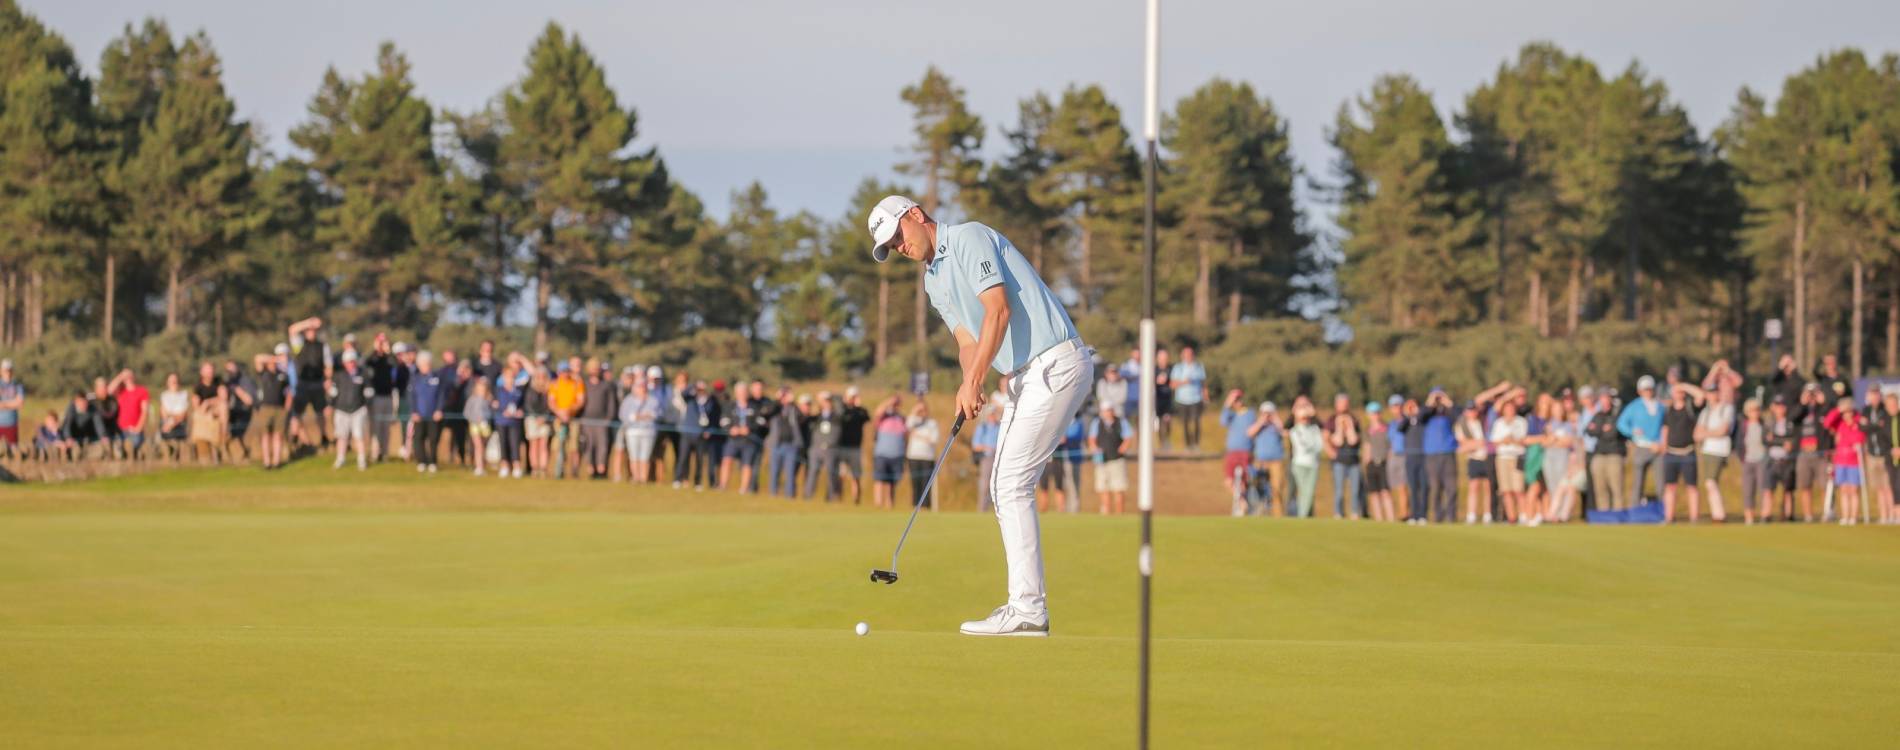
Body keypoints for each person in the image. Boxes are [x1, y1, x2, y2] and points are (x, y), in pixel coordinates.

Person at [868, 193, 1092, 637]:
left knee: (1009, 483)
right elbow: (968, 340)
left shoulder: (968, 238)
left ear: (915, 215)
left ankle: (1028, 610)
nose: (900, 247)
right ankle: (1025, 607)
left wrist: (975, 381)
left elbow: (999, 310)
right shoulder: (932, 280)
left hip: (1055, 362)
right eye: (891, 247)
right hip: (1025, 376)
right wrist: (967, 381)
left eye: (898, 236)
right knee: (1001, 484)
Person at [1656, 382, 1707, 523]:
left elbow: (1701, 395)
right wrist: (1663, 446)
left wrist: (1683, 386)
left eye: (1681, 392)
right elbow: (1665, 429)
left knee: (1692, 487)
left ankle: (1694, 518)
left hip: (1688, 453)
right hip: (1671, 453)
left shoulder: (1691, 408)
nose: (1679, 393)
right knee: (1670, 487)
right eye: (1676, 391)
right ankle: (1668, 517)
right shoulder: (1668, 410)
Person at [1617, 375, 1666, 504]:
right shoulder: (1634, 406)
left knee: (1661, 483)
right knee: (1637, 482)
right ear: (1640, 391)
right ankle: (1635, 511)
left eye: (1650, 389)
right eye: (1645, 389)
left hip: (1657, 448)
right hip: (1641, 447)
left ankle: (1664, 512)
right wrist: (1632, 432)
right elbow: (1621, 424)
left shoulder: (1660, 407)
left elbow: (1665, 426)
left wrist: (1661, 443)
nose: (1648, 391)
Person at [1693, 383, 1735, 523]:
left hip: (1720, 450)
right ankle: (1716, 513)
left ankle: (1719, 515)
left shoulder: (1726, 408)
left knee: (1711, 482)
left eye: (1714, 392)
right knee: (1709, 483)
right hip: (1706, 450)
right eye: (1709, 393)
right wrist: (1711, 433)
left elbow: (1723, 430)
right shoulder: (1705, 412)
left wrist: (1706, 433)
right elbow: (1696, 435)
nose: (1712, 395)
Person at [1822, 395, 1866, 525]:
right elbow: (1827, 423)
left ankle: (1853, 517)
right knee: (1843, 490)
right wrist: (1838, 410)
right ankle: (1845, 516)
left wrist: (1856, 419)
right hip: (1841, 461)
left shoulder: (1859, 423)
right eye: (1845, 412)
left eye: (1849, 411)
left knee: (1853, 490)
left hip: (1854, 463)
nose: (1847, 414)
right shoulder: (1839, 424)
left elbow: (1861, 438)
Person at [1791, 383, 1829, 522]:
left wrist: (1822, 403)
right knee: (1805, 485)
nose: (1811, 396)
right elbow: (1793, 417)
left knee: (1825, 485)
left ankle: (1827, 513)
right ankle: (1808, 515)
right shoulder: (1801, 409)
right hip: (1803, 454)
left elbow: (1829, 418)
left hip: (1820, 453)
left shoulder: (1822, 409)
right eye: (1809, 393)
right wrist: (1802, 403)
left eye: (1814, 393)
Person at [406, 351, 449, 474]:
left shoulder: (437, 377)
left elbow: (441, 395)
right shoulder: (415, 379)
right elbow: (411, 397)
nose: (426, 366)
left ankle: (433, 462)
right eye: (423, 364)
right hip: (419, 415)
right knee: (418, 438)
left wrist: (439, 410)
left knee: (434, 439)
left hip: (434, 416)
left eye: (427, 363)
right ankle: (421, 462)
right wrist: (414, 412)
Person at [1420, 390, 1458, 523]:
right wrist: (1430, 402)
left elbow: (1457, 417)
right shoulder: (1427, 412)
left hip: (1448, 452)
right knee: (1435, 488)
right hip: (1431, 454)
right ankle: (1438, 517)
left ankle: (1451, 517)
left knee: (1451, 487)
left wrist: (1448, 402)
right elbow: (1421, 417)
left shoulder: (1448, 412)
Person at [1585, 389, 1627, 511]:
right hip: (1599, 454)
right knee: (1600, 489)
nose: (1604, 400)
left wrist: (1599, 429)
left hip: (1614, 453)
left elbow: (1613, 433)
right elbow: (1588, 430)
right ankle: (1603, 518)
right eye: (1602, 398)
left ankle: (1617, 516)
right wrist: (1602, 429)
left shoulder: (1618, 414)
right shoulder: (1598, 415)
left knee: (1616, 488)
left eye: (1606, 397)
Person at [329, 351, 371, 470]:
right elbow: (333, 393)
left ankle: (361, 459)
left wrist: (366, 405)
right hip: (341, 410)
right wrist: (330, 405)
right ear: (344, 363)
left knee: (359, 436)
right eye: (348, 362)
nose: (351, 364)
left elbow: (369, 392)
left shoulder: (363, 374)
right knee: (342, 436)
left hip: (358, 409)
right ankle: (340, 459)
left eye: (352, 361)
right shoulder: (339, 376)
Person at [1089, 402, 1134, 515]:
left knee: (1118, 489)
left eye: (1109, 410)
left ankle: (1119, 515)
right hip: (1102, 461)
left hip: (1117, 460)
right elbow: (1092, 439)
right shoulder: (1096, 423)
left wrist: (1122, 448)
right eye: (1105, 410)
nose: (1107, 413)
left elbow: (1128, 438)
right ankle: (1106, 514)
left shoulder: (1121, 422)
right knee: (1103, 489)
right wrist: (1095, 448)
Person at [1489, 398, 1528, 524]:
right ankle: (1511, 518)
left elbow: (1524, 440)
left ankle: (1523, 516)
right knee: (1506, 490)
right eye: (1507, 408)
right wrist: (1504, 440)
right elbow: (1494, 441)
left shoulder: (1521, 422)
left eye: (1511, 408)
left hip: (1517, 457)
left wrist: (1513, 440)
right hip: (1503, 458)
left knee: (1519, 489)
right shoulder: (1498, 423)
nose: (1509, 411)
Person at [1325, 394, 1363, 520]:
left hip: (1354, 461)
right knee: (1339, 490)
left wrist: (1350, 425)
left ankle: (1354, 513)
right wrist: (1340, 426)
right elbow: (1337, 441)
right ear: (1336, 404)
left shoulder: (1354, 419)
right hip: (1339, 461)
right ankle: (1338, 513)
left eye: (1346, 403)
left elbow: (1353, 440)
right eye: (1341, 403)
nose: (1344, 405)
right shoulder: (1331, 419)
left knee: (1355, 490)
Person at [1287, 399, 1325, 518]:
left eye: (1306, 417)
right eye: (1302, 418)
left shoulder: (1315, 429)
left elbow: (1319, 445)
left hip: (1313, 464)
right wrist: (1311, 445)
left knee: (1309, 491)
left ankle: (1307, 515)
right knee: (1305, 492)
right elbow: (1302, 447)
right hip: (1299, 464)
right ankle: (1303, 516)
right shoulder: (1295, 430)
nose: (1305, 420)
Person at [1764, 395, 1799, 523]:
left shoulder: (1790, 423)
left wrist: (1775, 439)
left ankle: (1789, 515)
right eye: (1777, 405)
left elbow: (1792, 440)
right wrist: (1781, 442)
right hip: (1772, 460)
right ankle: (1766, 515)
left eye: (1782, 405)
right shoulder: (1769, 422)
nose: (1780, 408)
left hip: (1787, 461)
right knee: (1768, 489)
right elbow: (1766, 440)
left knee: (1788, 490)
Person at [1247, 402, 1286, 517]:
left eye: (1269, 413)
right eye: (1265, 412)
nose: (1267, 415)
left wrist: (1275, 418)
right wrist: (1261, 421)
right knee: (1258, 488)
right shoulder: (1258, 424)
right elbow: (1249, 433)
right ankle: (1260, 513)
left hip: (1276, 461)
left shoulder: (1277, 425)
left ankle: (1278, 516)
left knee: (1276, 489)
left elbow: (1284, 431)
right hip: (1261, 462)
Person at [618, 376, 659, 484]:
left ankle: (643, 478)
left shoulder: (653, 400)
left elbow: (657, 414)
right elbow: (623, 415)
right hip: (632, 431)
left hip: (648, 432)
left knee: (645, 456)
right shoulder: (629, 400)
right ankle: (636, 478)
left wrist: (645, 416)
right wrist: (635, 417)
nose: (642, 389)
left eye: (643, 386)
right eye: (639, 386)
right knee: (634, 455)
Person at [1457, 402, 1491, 524]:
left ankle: (1488, 514)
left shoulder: (1483, 422)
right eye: (1469, 410)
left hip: (1486, 458)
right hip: (1473, 458)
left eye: (1474, 410)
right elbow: (1463, 445)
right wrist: (1478, 443)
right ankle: (1471, 514)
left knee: (1488, 487)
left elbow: (1487, 441)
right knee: (1474, 487)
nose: (1472, 412)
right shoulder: (1462, 425)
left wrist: (1475, 443)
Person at [870, 395, 907, 509]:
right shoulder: (883, 417)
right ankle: (878, 505)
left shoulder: (901, 418)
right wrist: (889, 402)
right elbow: (878, 411)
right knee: (880, 479)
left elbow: (906, 434)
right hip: (882, 454)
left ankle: (889, 505)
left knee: (892, 482)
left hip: (897, 454)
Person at [250, 356, 287, 469]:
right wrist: (275, 358)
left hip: (280, 408)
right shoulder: (263, 373)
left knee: (278, 435)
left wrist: (287, 408)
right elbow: (257, 359)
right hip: (265, 408)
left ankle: (276, 462)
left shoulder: (283, 375)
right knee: (265, 435)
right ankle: (267, 462)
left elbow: (289, 392)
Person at [835, 387, 871, 502]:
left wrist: (858, 406)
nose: (853, 399)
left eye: (855, 397)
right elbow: (841, 417)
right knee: (841, 475)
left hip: (855, 447)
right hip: (841, 447)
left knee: (856, 476)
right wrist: (847, 405)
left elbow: (867, 417)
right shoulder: (842, 409)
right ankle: (838, 498)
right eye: (851, 397)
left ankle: (856, 499)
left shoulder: (860, 411)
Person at [188, 362, 228, 465]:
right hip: (205, 414)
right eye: (207, 371)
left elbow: (223, 398)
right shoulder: (198, 387)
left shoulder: (219, 382)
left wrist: (208, 402)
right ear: (202, 372)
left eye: (211, 370)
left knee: (223, 407)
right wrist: (205, 408)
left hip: (216, 410)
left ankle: (223, 437)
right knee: (199, 416)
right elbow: (196, 406)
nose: (210, 373)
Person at [768, 390, 806, 498]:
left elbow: (802, 417)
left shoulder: (793, 408)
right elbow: (768, 412)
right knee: (774, 472)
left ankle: (789, 495)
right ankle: (773, 494)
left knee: (790, 473)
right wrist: (777, 400)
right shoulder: (775, 407)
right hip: (776, 444)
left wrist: (793, 403)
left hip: (791, 445)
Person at [904, 401, 942, 508]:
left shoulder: (932, 423)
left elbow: (934, 439)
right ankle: (915, 505)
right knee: (915, 482)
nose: (922, 412)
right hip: (914, 456)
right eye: (920, 410)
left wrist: (918, 436)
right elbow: (907, 425)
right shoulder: (914, 422)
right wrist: (915, 410)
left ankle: (925, 505)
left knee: (926, 482)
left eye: (923, 410)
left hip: (927, 457)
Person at [804, 392, 841, 500]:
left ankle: (831, 497)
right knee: (813, 472)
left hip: (831, 449)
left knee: (831, 473)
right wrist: (818, 402)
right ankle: (808, 496)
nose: (826, 404)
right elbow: (809, 416)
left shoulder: (836, 416)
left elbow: (840, 408)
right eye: (824, 401)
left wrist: (832, 400)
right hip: (816, 448)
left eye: (828, 401)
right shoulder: (817, 416)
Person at [1870, 392, 1900, 525]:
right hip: (1890, 458)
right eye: (1889, 405)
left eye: (1894, 404)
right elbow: (1882, 440)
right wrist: (1890, 450)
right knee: (1894, 485)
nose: (1892, 407)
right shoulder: (1884, 421)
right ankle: (1896, 514)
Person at [1219, 389, 1254, 498]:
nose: (1237, 402)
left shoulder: (1250, 413)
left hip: (1245, 451)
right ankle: (1242, 503)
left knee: (1244, 482)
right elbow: (1223, 422)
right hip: (1231, 452)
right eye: (1234, 400)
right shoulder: (1231, 414)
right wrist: (1227, 405)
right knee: (1228, 481)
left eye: (1238, 399)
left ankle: (1244, 504)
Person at [1738, 397, 1767, 525]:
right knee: (1748, 490)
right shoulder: (1743, 426)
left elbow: (1768, 441)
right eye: (1751, 410)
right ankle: (1749, 517)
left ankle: (1764, 515)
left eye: (1756, 410)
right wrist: (1742, 458)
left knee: (1763, 488)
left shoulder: (1764, 425)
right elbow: (1739, 444)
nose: (1754, 413)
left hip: (1761, 460)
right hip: (1747, 461)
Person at [1171, 347, 1207, 451]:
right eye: (1186, 355)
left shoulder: (1199, 367)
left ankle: (1196, 444)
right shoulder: (1178, 368)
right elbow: (1172, 384)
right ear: (1182, 356)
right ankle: (1188, 445)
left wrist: (1205, 396)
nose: (1188, 357)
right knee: (1185, 423)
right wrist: (1183, 382)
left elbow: (1203, 383)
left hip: (1196, 399)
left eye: (1190, 354)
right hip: (1182, 399)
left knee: (1196, 422)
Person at [1364, 402, 1394, 522]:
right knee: (1374, 493)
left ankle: (1391, 519)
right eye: (1372, 413)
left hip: (1384, 463)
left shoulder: (1387, 428)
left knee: (1385, 492)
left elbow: (1391, 446)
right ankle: (1378, 520)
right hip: (1371, 464)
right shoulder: (1367, 430)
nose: (1375, 416)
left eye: (1376, 413)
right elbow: (1367, 447)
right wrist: (1366, 462)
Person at [111, 370, 150, 461]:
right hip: (121, 430)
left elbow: (145, 411)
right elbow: (109, 390)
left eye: (129, 375)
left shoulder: (142, 391)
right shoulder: (120, 392)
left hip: (134, 429)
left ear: (134, 377)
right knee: (118, 447)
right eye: (126, 376)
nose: (127, 378)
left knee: (134, 445)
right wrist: (120, 376)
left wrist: (138, 428)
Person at [972, 406, 1002, 512]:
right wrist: (989, 448)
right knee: (985, 486)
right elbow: (976, 445)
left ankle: (996, 510)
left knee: (998, 485)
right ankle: (982, 510)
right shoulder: (982, 427)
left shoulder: (1000, 427)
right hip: (987, 458)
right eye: (991, 414)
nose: (993, 416)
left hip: (999, 458)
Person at [464, 374, 493, 477]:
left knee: (484, 446)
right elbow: (466, 413)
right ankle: (479, 467)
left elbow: (490, 413)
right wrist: (475, 420)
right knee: (478, 446)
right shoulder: (472, 399)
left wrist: (485, 418)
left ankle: (483, 465)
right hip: (475, 425)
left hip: (485, 425)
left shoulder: (488, 399)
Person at [158, 373, 190, 459]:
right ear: (167, 383)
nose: (174, 382)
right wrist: (172, 419)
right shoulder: (164, 396)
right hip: (167, 423)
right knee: (165, 426)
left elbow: (183, 414)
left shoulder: (184, 394)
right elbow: (164, 413)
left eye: (175, 380)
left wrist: (173, 421)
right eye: (171, 381)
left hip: (179, 424)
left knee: (169, 425)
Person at [0, 359, 22, 456]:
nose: (7, 373)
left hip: (12, 424)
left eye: (9, 370)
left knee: (13, 452)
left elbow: (20, 403)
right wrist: (13, 403)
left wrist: (4, 404)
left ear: (12, 371)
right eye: (5, 370)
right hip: (0, 424)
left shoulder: (17, 385)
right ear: (1, 371)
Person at [1153, 349, 1174, 448]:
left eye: (1165, 358)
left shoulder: (1172, 368)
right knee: (1159, 422)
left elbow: (1175, 382)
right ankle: (1161, 442)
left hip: (1168, 399)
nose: (1163, 360)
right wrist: (1156, 381)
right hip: (1157, 399)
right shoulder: (1154, 369)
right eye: (1161, 358)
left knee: (1167, 421)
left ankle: (1166, 441)